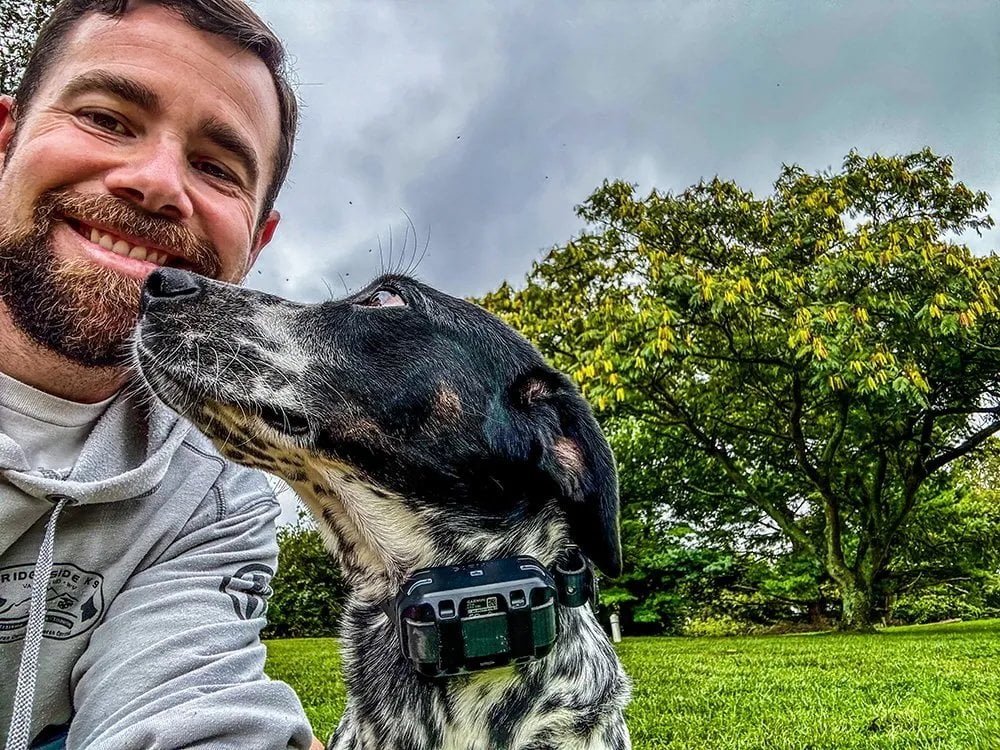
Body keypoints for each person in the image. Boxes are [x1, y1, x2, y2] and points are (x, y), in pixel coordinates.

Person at [0, 1, 323, 748]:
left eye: (216, 168)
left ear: (258, 239)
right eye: (107, 119)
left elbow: (187, 704)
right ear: (6, 141)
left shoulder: (215, 484)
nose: (155, 183)